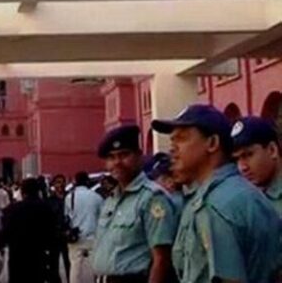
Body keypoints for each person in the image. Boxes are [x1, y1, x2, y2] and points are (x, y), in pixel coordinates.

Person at [153, 104, 280, 283]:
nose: (172, 149)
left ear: (212, 143)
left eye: (181, 138)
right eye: (172, 141)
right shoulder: (232, 193)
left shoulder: (218, 204)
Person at [92, 125, 179, 283]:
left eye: (124, 155)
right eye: (111, 157)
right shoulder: (112, 199)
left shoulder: (152, 197)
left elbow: (161, 259)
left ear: (139, 156)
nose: (117, 162)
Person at [3, 178, 55, 283]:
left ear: (22, 191)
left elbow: (6, 230)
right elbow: (51, 230)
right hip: (38, 253)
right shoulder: (46, 208)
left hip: (17, 253)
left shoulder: (13, 208)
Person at [231, 116, 282, 214]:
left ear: (272, 150)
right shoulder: (246, 197)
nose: (242, 167)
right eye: (236, 159)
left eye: (248, 155)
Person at [65, 171, 103, 283]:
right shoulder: (96, 197)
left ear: (75, 181)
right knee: (95, 267)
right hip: (93, 236)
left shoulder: (69, 197)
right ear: (88, 181)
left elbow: (67, 216)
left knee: (75, 267)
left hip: (75, 237)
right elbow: (102, 217)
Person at [46, 174, 70, 283]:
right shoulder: (49, 200)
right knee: (53, 262)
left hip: (67, 233)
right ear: (54, 185)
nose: (60, 185)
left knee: (69, 261)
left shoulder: (70, 197)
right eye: (58, 182)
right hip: (54, 235)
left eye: (62, 182)